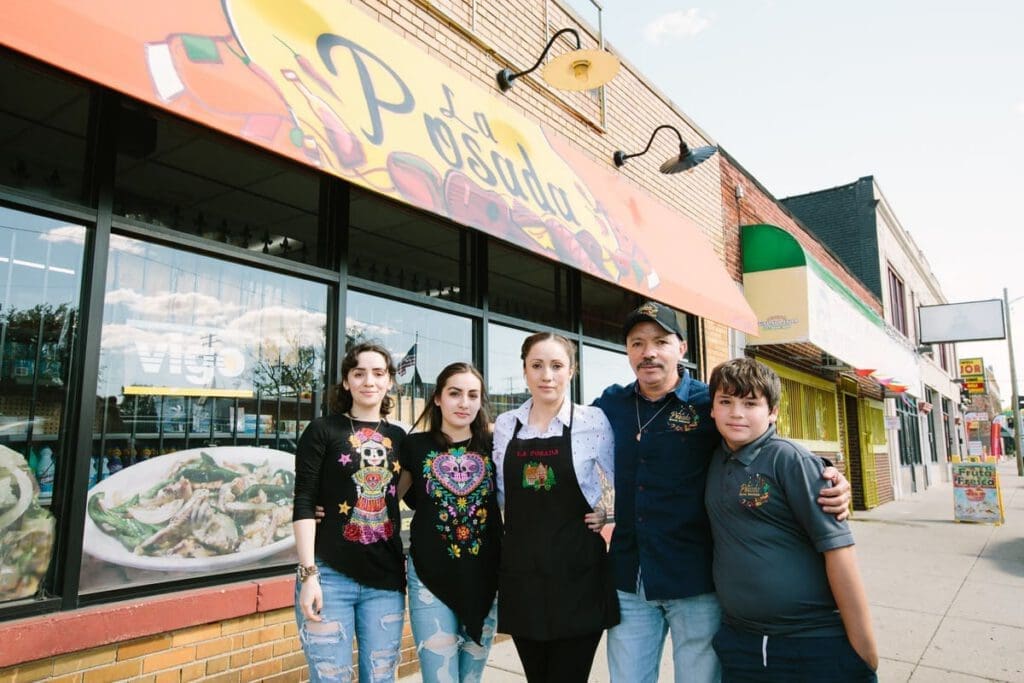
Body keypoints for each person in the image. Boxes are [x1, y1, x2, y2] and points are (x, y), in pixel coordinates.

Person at [594, 301, 852, 683]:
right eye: (637, 343)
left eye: (660, 342)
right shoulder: (610, 404)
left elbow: (762, 440)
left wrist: (828, 472)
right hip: (630, 579)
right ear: (628, 351)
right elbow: (569, 436)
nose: (648, 352)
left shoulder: (708, 403)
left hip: (694, 580)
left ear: (681, 348)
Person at [706, 358, 878, 681]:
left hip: (811, 643)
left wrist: (864, 649)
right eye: (725, 401)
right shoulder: (713, 458)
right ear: (712, 408)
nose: (737, 412)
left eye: (751, 403)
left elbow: (839, 551)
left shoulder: (789, 460)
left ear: (773, 412)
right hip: (742, 644)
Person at [492, 332, 619, 682]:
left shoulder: (593, 421)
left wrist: (609, 512)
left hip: (578, 576)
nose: (547, 375)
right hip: (523, 576)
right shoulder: (506, 425)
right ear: (525, 372)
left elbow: (624, 479)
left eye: (556, 366)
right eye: (537, 366)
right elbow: (502, 495)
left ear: (571, 371)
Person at [292, 342, 408, 683]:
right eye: (359, 373)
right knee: (331, 678)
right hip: (329, 575)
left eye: (378, 373)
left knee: (381, 678)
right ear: (346, 382)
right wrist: (308, 574)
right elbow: (302, 500)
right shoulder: (323, 430)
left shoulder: (400, 438)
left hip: (385, 580)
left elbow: (400, 491)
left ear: (389, 382)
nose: (368, 381)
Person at [396, 362, 502, 683]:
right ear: (438, 398)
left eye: (472, 395)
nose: (464, 402)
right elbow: (382, 502)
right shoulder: (414, 446)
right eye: (455, 393)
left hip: (485, 578)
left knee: (470, 679)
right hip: (429, 579)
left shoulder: (495, 445)